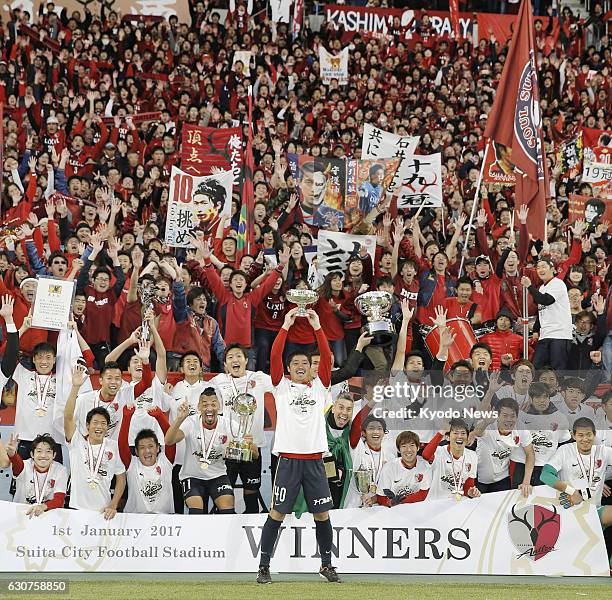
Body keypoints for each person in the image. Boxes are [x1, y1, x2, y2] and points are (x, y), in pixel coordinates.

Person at [256, 307, 339, 584]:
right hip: (289, 460)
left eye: (306, 363)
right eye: (296, 364)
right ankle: (264, 566)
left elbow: (327, 358)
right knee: (277, 513)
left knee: (322, 514)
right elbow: (274, 356)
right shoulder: (281, 386)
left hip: (315, 460)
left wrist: (317, 327)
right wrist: (285, 326)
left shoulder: (320, 386)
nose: (302, 366)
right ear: (289, 369)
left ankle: (326, 564)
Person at [210, 344, 272, 513]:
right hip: (227, 448)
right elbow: (200, 396)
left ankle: (248, 536)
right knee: (224, 496)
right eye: (230, 357)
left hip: (252, 448)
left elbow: (281, 385)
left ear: (246, 360)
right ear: (225, 365)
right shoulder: (218, 381)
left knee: (251, 495)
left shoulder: (258, 378)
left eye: (238, 356)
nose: (234, 360)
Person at [165, 387, 244, 515]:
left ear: (219, 406)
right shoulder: (191, 422)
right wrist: (179, 419)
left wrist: (249, 445)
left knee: (228, 506)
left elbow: (254, 452)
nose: (209, 408)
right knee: (196, 509)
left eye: (213, 404)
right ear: (199, 407)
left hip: (217, 476)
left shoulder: (228, 425)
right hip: (192, 476)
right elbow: (168, 441)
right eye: (205, 404)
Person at [64, 364, 126, 518]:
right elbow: (68, 417)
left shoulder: (112, 446)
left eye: (103, 423)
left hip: (103, 512)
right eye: (95, 423)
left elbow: (121, 477)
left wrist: (113, 504)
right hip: (76, 509)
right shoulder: (77, 441)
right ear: (87, 425)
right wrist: (75, 388)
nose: (99, 427)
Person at [541, 417, 612, 527]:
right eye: (580, 435)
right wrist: (571, 491)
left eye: (588, 434)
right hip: (570, 511)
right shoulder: (565, 450)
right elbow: (545, 475)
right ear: (573, 435)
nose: (585, 439)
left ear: (594, 434)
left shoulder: (603, 452)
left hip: (594, 510)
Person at [510, 382, 572, 488]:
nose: (542, 401)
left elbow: (565, 444)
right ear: (531, 398)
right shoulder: (519, 416)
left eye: (545, 397)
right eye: (538, 397)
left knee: (545, 500)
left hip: (546, 467)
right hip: (521, 464)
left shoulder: (560, 418)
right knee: (519, 499)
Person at [470, 397, 535, 495]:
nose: (509, 420)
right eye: (505, 416)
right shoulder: (488, 425)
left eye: (512, 416)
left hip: (502, 479)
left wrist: (526, 482)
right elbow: (477, 432)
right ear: (497, 416)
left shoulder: (521, 428)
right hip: (480, 479)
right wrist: (486, 422)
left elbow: (530, 453)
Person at [118, 405, 175, 514]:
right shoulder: (132, 464)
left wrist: (160, 416)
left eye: (151, 446)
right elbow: (122, 445)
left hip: (165, 520)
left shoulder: (165, 461)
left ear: (158, 448)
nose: (147, 451)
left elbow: (171, 440)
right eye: (142, 448)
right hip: (135, 521)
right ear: (136, 451)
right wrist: (126, 418)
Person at [0, 433, 68, 517]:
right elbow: (18, 466)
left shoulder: (60, 470)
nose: (43, 455)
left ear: (54, 455)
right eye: (39, 451)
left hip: (48, 515)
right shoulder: (25, 465)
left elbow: (59, 500)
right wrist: (12, 455)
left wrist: (42, 507)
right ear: (32, 454)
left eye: (48, 451)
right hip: (21, 515)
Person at [521, 258, 573, 369]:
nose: (540, 270)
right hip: (545, 334)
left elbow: (546, 300)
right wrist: (536, 329)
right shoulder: (541, 288)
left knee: (558, 370)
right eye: (538, 268)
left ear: (552, 269)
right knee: (536, 368)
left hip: (560, 335)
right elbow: (541, 310)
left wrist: (529, 287)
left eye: (544, 266)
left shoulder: (558, 283)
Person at [422, 418, 481, 501]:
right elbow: (426, 455)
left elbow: (468, 484)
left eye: (463, 433)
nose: (459, 436)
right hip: (435, 502)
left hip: (457, 503)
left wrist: (471, 492)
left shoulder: (472, 455)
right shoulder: (439, 452)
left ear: (467, 438)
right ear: (448, 437)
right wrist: (442, 431)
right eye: (456, 433)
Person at [376, 431, 431, 506]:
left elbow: (423, 494)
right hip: (393, 510)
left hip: (416, 507)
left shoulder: (424, 465)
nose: (408, 450)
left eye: (412, 445)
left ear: (418, 448)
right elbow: (380, 497)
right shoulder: (389, 468)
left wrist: (401, 501)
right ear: (398, 450)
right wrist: (391, 502)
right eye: (404, 446)